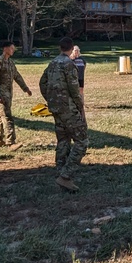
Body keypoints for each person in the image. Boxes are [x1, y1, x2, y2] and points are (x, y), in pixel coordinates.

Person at [39, 37, 88, 192]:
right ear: (71, 48)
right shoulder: (69, 64)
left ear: (60, 48)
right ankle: (65, 176)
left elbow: (42, 83)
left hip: (55, 108)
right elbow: (74, 88)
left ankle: (60, 172)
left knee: (63, 140)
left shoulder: (52, 63)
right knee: (82, 141)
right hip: (68, 108)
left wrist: (51, 99)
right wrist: (80, 107)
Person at [0, 41, 32, 150]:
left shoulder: (10, 62)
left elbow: (17, 76)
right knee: (8, 117)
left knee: (2, 115)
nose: (13, 50)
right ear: (5, 49)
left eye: (13, 48)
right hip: (2, 93)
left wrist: (25, 88)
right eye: (11, 48)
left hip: (9, 93)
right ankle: (11, 142)